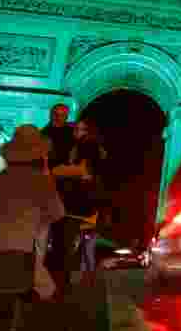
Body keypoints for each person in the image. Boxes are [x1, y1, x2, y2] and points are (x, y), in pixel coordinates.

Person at [0, 125, 65, 320]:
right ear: (40, 155)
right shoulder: (43, 183)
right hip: (24, 266)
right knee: (50, 298)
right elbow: (58, 214)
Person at [48, 118, 107, 293]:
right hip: (79, 205)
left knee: (65, 246)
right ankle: (66, 282)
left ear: (89, 132)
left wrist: (58, 171)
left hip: (76, 206)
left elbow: (82, 173)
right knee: (70, 246)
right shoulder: (83, 147)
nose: (78, 132)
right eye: (76, 129)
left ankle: (62, 284)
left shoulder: (87, 147)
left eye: (82, 129)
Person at [41, 103, 75, 171]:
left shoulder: (72, 130)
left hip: (69, 166)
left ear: (66, 117)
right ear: (50, 115)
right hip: (53, 169)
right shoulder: (44, 133)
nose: (58, 117)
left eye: (62, 115)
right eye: (55, 114)